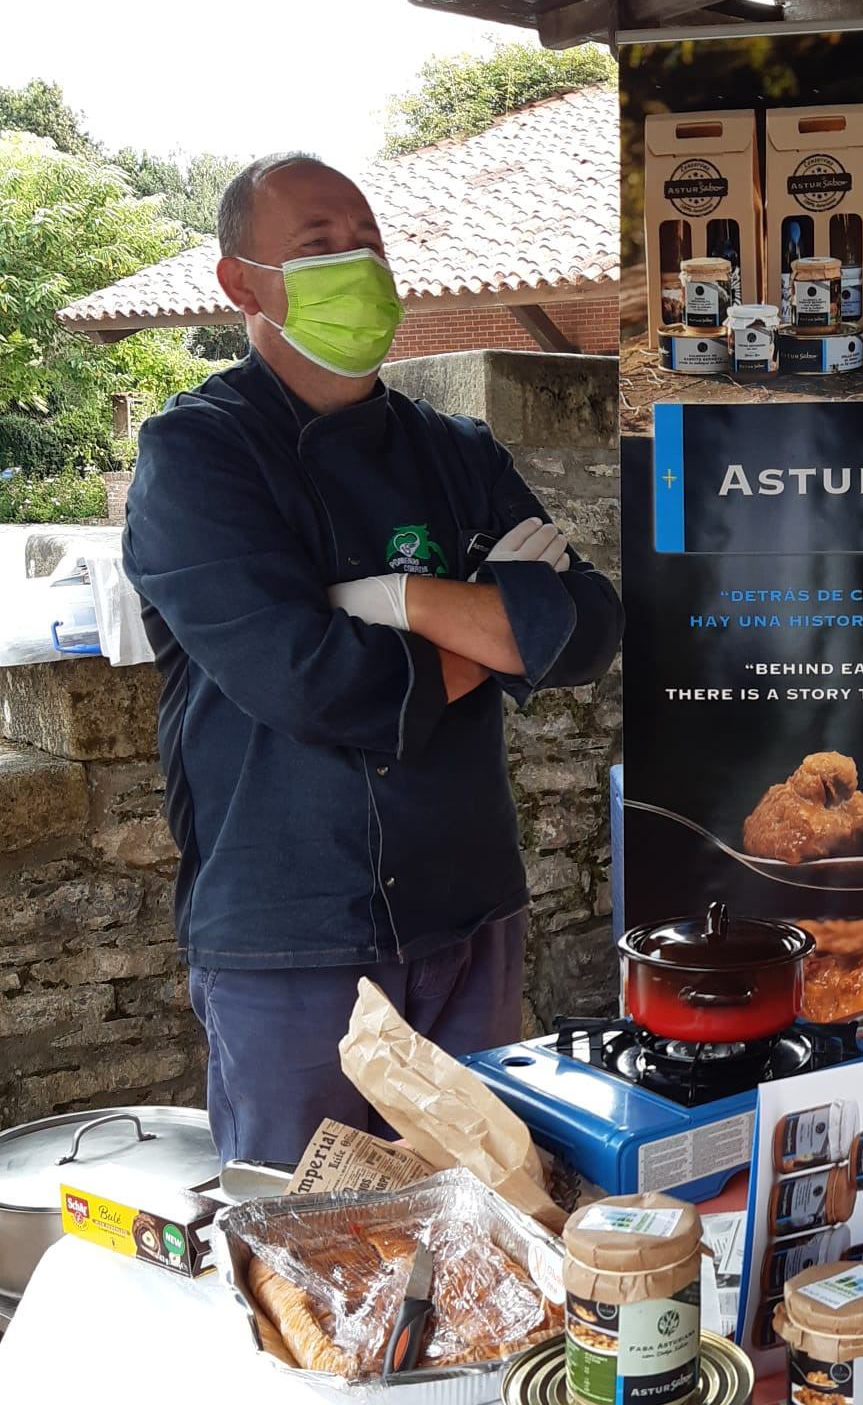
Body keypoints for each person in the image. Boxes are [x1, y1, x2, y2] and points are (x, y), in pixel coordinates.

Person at [124, 153, 623, 1165]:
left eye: (369, 242)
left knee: (490, 1228)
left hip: (472, 911)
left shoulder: (457, 451)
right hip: (290, 933)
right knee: (312, 1256)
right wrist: (494, 628)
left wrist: (395, 600)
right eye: (319, 247)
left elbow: (589, 629)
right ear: (241, 283)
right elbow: (312, 679)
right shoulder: (199, 458)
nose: (358, 263)